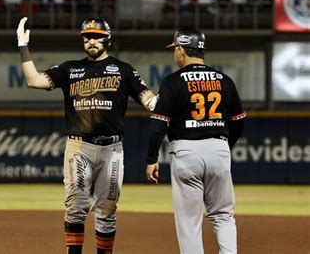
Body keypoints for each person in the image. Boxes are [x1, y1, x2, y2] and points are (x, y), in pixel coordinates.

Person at [16, 16, 155, 254]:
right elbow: (33, 80)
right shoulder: (70, 69)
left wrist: (170, 102)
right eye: (88, 37)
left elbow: (149, 100)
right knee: (76, 208)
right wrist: (23, 46)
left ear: (107, 40)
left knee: (107, 210)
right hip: (79, 147)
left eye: (98, 37)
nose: (92, 41)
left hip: (112, 149)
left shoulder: (123, 70)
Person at [145, 28, 246, 254]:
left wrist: (151, 158)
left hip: (186, 151)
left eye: (175, 49)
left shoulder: (173, 81)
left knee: (189, 223)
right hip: (219, 148)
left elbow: (158, 125)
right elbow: (238, 122)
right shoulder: (224, 80)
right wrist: (224, 147)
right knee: (223, 215)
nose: (174, 54)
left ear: (181, 50)